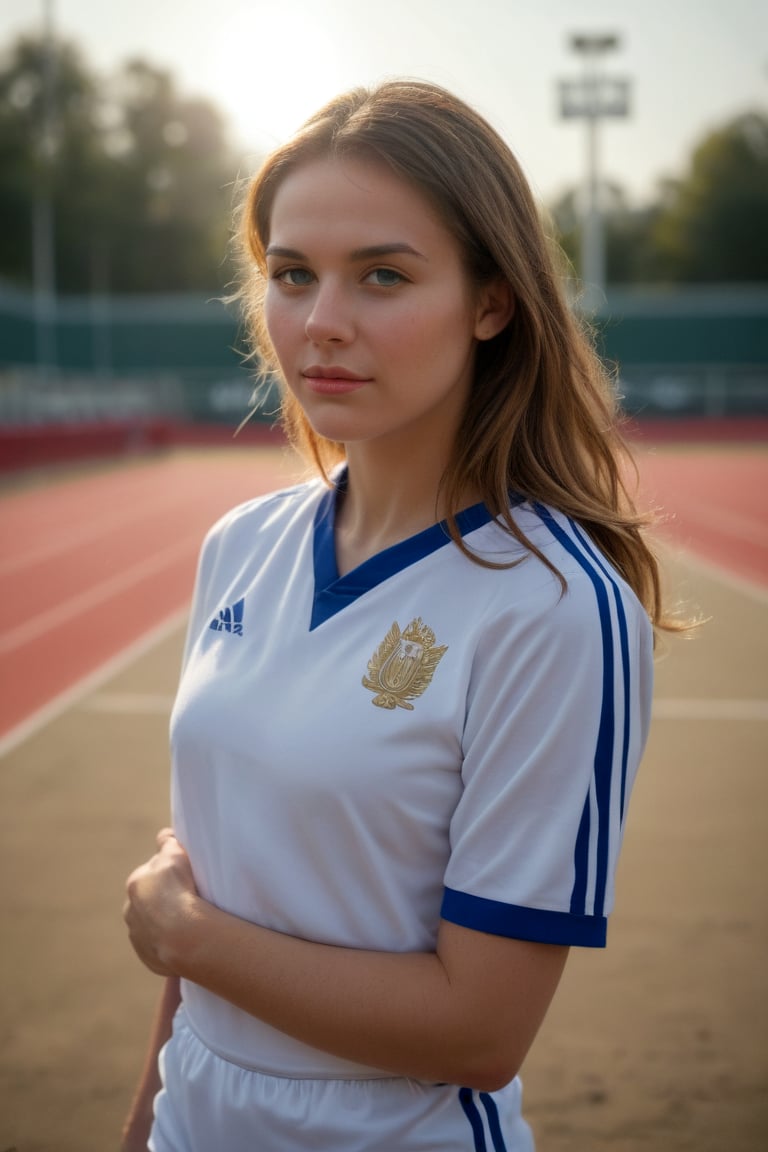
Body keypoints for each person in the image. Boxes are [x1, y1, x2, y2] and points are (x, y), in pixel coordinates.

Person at [121, 79, 677, 1152]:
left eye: (383, 275)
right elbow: (209, 883)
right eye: (291, 276)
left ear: (491, 300)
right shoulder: (240, 545)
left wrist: (191, 940)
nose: (322, 323)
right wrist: (146, 1124)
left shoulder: (556, 605)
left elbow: (477, 1031)